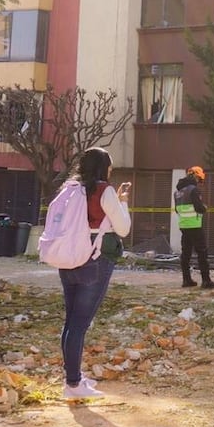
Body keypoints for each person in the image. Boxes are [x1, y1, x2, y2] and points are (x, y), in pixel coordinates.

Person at [56, 147, 132, 399]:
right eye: (109, 166)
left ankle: (72, 380)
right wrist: (123, 202)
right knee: (79, 325)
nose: (111, 171)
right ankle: (74, 385)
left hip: (68, 257)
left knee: (71, 323)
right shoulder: (104, 190)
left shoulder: (69, 189)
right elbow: (122, 229)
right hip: (95, 260)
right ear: (103, 167)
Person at [175, 165, 214, 289]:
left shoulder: (178, 192)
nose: (199, 183)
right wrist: (204, 208)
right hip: (195, 225)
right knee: (202, 253)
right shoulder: (193, 190)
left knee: (186, 254)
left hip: (184, 226)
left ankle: (186, 280)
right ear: (195, 176)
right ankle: (206, 281)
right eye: (199, 180)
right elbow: (199, 207)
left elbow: (177, 210)